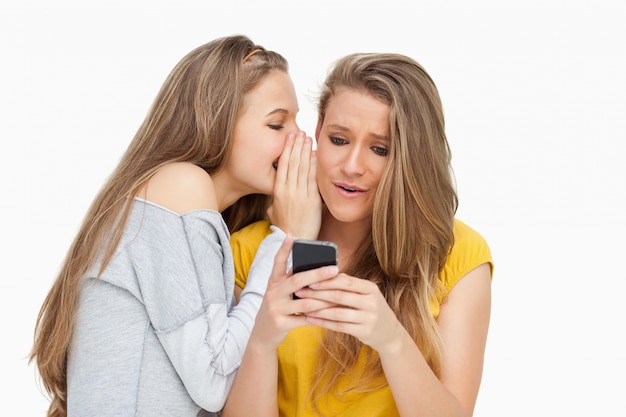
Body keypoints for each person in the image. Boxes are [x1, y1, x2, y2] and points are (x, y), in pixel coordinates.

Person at [29, 34, 316, 417]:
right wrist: (287, 238)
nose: (300, 138)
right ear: (218, 121)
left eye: (298, 121)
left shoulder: (201, 218)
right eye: (277, 124)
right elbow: (215, 381)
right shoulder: (177, 186)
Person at [223, 52, 494, 417]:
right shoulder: (248, 251)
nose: (352, 167)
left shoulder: (459, 255)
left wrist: (391, 339)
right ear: (317, 132)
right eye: (338, 140)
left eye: (379, 149)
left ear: (411, 159)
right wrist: (260, 342)